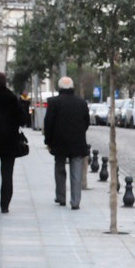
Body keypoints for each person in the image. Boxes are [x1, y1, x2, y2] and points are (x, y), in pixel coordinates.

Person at [44, 76, 89, 209]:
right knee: (76, 172)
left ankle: (61, 196)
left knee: (59, 168)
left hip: (59, 141)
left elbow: (48, 123)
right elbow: (86, 122)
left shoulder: (53, 102)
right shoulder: (82, 103)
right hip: (77, 142)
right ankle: (75, 201)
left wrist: (48, 141)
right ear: (72, 87)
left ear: (59, 88)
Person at [0, 72, 26, 214]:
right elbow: (22, 119)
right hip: (9, 141)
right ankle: (5, 205)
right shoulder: (11, 98)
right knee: (7, 173)